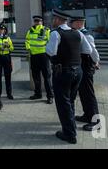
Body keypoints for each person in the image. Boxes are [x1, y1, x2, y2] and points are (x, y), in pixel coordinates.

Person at [46, 9, 92, 144]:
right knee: (70, 100)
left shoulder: (56, 33)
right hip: (78, 71)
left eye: (53, 18)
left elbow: (50, 51)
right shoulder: (77, 33)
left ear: (58, 20)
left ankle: (69, 134)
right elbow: (88, 50)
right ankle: (71, 126)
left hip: (63, 72)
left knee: (63, 103)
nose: (52, 21)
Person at [70, 16, 101, 132]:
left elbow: (93, 52)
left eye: (72, 23)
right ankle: (87, 115)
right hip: (81, 66)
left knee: (89, 94)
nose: (70, 25)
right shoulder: (79, 33)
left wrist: (96, 61)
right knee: (83, 93)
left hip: (86, 67)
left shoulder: (86, 35)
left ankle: (96, 122)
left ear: (78, 23)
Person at [25, 15, 54, 104]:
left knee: (47, 77)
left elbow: (50, 42)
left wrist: (49, 54)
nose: (37, 22)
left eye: (38, 21)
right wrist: (28, 49)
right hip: (34, 56)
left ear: (41, 21)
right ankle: (38, 94)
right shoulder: (30, 30)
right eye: (35, 21)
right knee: (35, 76)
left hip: (44, 56)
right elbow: (27, 40)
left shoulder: (46, 30)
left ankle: (50, 96)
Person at [0, 25, 15, 100]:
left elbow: (12, 48)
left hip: (6, 57)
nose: (1, 31)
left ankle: (9, 93)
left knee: (8, 76)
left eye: (2, 29)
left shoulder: (8, 38)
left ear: (4, 30)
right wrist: (1, 48)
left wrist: (8, 46)